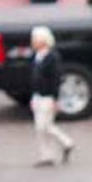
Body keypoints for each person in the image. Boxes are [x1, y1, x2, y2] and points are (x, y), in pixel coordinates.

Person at [30, 26, 75, 167]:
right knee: (40, 128)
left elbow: (55, 80)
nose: (33, 43)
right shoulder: (36, 57)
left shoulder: (52, 58)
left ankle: (66, 142)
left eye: (35, 40)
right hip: (38, 96)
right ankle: (46, 155)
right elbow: (34, 78)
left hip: (47, 96)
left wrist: (55, 99)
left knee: (45, 126)